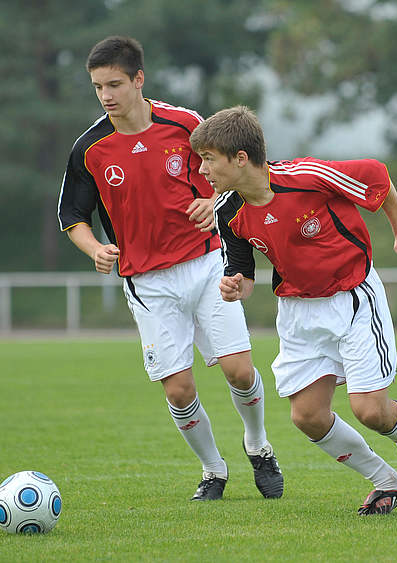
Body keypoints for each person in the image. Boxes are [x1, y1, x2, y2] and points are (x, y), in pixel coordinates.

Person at [56, 37, 283, 501]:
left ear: (139, 79)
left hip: (205, 263)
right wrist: (93, 248)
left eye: (115, 84)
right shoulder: (89, 149)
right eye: (98, 87)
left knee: (240, 371)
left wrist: (209, 200)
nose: (106, 95)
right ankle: (213, 470)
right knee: (178, 390)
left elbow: (227, 180)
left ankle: (258, 446)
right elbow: (71, 217)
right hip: (147, 281)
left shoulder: (185, 125)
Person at [189, 105, 397, 515]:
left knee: (370, 411)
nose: (202, 172)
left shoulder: (309, 178)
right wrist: (234, 286)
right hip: (298, 312)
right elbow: (243, 274)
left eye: (208, 160)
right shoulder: (227, 210)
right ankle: (385, 481)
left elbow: (377, 175)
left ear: (240, 158)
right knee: (307, 416)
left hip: (352, 298)